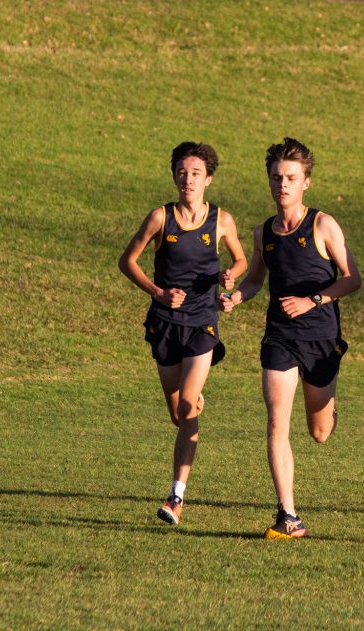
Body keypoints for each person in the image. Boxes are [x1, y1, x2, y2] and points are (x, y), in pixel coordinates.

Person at [221, 137, 361, 540]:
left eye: (291, 178)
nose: (283, 184)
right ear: (269, 181)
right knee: (275, 420)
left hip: (321, 338)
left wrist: (314, 300)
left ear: (306, 183)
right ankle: (288, 515)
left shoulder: (322, 224)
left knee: (318, 431)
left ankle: (328, 412)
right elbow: (255, 280)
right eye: (277, 177)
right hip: (279, 337)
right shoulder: (264, 232)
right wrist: (236, 297)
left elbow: (353, 279)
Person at [119, 141, 247, 525]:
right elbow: (127, 261)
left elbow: (240, 258)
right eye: (181, 173)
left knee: (188, 406)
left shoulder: (221, 220)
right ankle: (192, 400)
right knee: (179, 414)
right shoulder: (160, 218)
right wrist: (158, 292)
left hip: (202, 321)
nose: (187, 180)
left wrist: (232, 274)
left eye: (195, 174)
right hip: (164, 324)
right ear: (174, 176)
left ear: (208, 179)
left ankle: (176, 496)